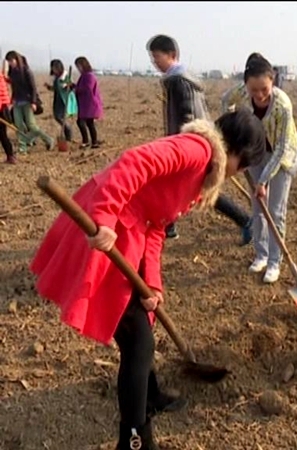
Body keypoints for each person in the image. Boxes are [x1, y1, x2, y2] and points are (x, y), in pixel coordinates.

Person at [30, 109, 267, 449]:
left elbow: (158, 224)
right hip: (109, 230)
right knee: (139, 341)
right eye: (243, 164)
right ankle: (135, 439)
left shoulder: (205, 174)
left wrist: (152, 282)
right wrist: (105, 216)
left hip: (133, 235)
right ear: (236, 150)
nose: (238, 173)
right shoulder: (196, 150)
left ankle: (149, 394)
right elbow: (134, 162)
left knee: (143, 324)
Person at [147, 34, 252, 243]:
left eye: (157, 57)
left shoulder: (180, 81)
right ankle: (168, 226)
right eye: (152, 58)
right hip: (190, 141)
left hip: (190, 144)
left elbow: (188, 115)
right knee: (183, 187)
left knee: (201, 189)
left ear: (172, 55)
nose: (155, 62)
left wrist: (182, 144)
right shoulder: (179, 79)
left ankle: (245, 220)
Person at [222, 55, 297, 284]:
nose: (258, 95)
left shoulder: (282, 105)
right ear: (246, 84)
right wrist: (235, 134)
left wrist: (263, 181)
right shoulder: (242, 92)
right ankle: (261, 254)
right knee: (257, 207)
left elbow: (282, 148)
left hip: (282, 158)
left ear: (273, 80)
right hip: (256, 153)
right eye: (253, 89)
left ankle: (275, 262)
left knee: (275, 211)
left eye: (264, 89)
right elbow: (225, 101)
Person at [4, 51, 54, 153]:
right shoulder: (12, 72)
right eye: (8, 61)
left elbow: (33, 88)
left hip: (27, 101)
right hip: (17, 102)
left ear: (17, 59)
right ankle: (23, 147)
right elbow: (13, 84)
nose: (10, 63)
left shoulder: (26, 71)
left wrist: (34, 102)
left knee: (32, 126)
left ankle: (48, 139)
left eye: (11, 61)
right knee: (18, 125)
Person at [72, 56, 103, 149]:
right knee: (89, 123)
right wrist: (74, 86)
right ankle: (93, 142)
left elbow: (87, 89)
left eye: (79, 66)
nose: (78, 68)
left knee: (82, 122)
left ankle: (87, 142)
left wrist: (76, 89)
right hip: (85, 104)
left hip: (90, 104)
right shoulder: (84, 75)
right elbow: (81, 86)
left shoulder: (89, 76)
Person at [44, 59, 77, 143]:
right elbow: (56, 89)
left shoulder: (65, 76)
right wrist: (49, 87)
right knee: (57, 116)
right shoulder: (56, 78)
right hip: (57, 99)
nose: (54, 70)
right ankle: (67, 133)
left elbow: (71, 87)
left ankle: (68, 133)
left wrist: (69, 86)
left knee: (60, 117)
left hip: (63, 100)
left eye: (55, 68)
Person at [0, 66, 16, 163]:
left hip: (1, 108)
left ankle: (11, 156)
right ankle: (10, 156)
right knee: (2, 135)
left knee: (2, 134)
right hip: (3, 108)